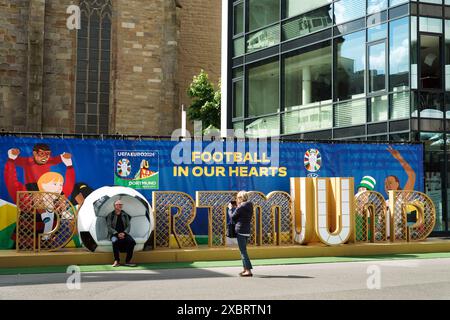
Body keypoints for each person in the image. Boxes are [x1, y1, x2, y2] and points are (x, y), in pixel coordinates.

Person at [106, 199, 137, 267]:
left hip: (124, 234)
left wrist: (124, 233)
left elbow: (128, 226)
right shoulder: (110, 215)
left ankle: (128, 261)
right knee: (114, 241)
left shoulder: (124, 214)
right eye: (118, 204)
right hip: (114, 234)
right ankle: (116, 261)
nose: (120, 206)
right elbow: (109, 227)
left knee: (131, 241)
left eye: (121, 204)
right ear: (115, 206)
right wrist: (117, 233)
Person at [231, 191, 253, 277]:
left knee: (243, 251)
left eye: (237, 198)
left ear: (240, 198)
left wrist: (230, 209)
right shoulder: (250, 205)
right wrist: (237, 206)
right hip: (247, 230)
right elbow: (242, 213)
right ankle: (245, 269)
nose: (237, 199)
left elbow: (232, 217)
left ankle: (248, 270)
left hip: (240, 230)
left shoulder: (240, 207)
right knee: (243, 250)